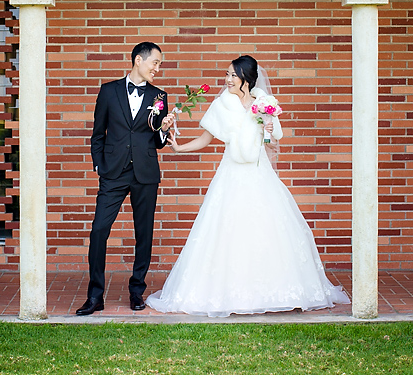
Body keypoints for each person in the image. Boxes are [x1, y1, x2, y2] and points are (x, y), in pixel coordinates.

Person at [146, 55, 350, 317]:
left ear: (247, 78)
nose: (227, 80)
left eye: (232, 75)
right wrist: (179, 147)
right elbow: (206, 138)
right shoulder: (222, 104)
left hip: (259, 174)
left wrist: (268, 125)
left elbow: (272, 139)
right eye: (227, 74)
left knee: (267, 229)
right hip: (230, 175)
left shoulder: (264, 103)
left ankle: (274, 291)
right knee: (226, 230)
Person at [76, 42, 175, 315]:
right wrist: (100, 166)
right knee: (99, 231)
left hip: (145, 173)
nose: (158, 68)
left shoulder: (160, 96)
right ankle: (95, 296)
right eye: (155, 62)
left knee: (144, 234)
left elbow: (157, 141)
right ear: (138, 60)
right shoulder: (108, 91)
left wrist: (164, 130)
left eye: (160, 64)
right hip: (113, 173)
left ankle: (136, 291)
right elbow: (98, 134)